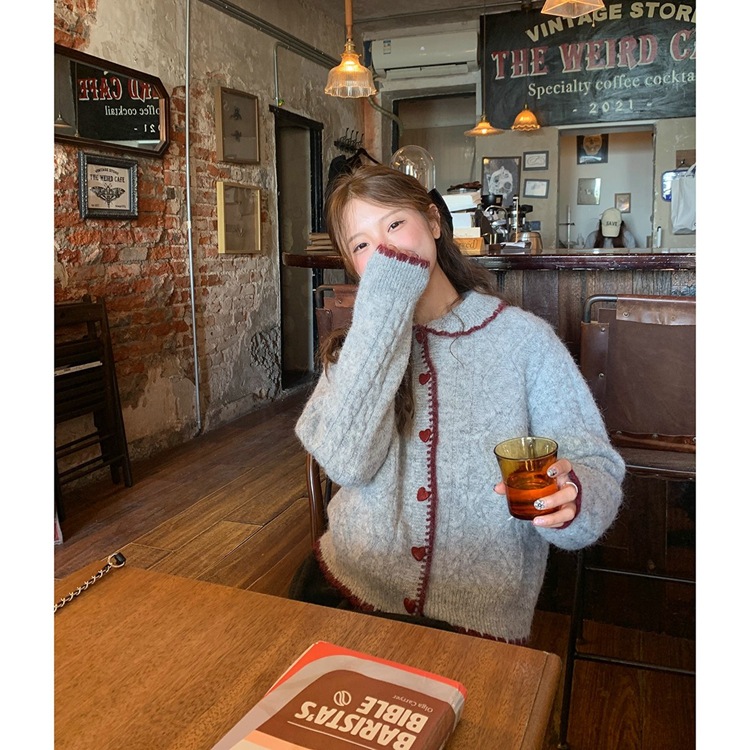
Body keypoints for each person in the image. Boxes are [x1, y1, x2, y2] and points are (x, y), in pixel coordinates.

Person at [292, 164, 624, 643]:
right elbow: (347, 464)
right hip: (347, 589)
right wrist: (381, 322)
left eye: (394, 224)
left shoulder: (525, 340)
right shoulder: (353, 351)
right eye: (362, 246)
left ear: (433, 221)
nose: (383, 251)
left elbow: (596, 467)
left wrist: (572, 496)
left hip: (478, 621)